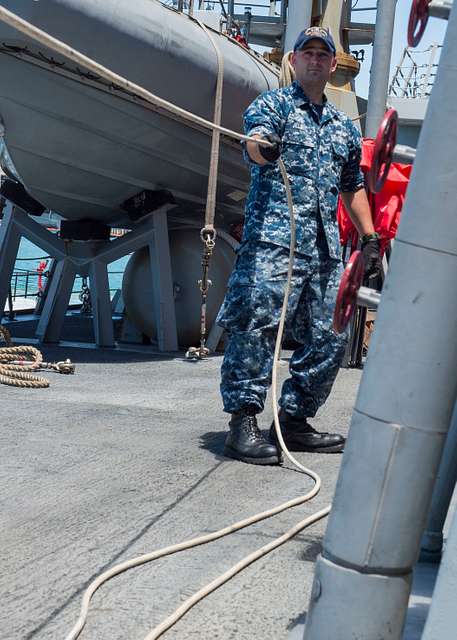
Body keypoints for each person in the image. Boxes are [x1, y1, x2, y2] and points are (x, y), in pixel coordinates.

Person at [217, 26, 382, 465]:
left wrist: (370, 239)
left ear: (332, 65)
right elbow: (252, 143)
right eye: (306, 53)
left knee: (332, 335)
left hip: (324, 249)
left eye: (321, 54)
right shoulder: (272, 106)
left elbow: (352, 187)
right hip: (274, 242)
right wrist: (262, 149)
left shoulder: (344, 127)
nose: (314, 60)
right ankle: (243, 422)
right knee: (256, 326)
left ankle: (293, 420)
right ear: (293, 61)